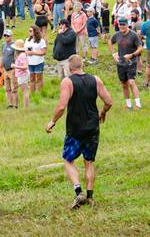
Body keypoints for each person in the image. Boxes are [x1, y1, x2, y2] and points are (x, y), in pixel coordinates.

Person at [45, 54, 113, 209]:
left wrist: (52, 122)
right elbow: (109, 102)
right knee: (89, 162)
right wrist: (102, 113)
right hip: (92, 127)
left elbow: (61, 106)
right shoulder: (96, 80)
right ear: (82, 65)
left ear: (70, 68)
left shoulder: (67, 81)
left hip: (75, 129)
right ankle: (90, 197)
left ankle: (78, 192)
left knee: (68, 160)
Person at [109, 17, 143, 109]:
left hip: (131, 62)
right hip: (120, 63)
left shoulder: (133, 35)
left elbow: (140, 47)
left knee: (131, 82)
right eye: (120, 25)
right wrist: (113, 54)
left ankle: (138, 104)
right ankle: (128, 105)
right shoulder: (117, 34)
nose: (122, 26)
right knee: (124, 84)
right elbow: (110, 42)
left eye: (124, 25)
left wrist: (131, 55)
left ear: (127, 25)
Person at [25, 25, 46, 92]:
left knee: (39, 79)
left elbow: (43, 52)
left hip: (38, 62)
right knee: (31, 79)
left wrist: (33, 53)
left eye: (31, 31)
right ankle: (32, 94)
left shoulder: (41, 41)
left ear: (35, 31)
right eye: (29, 31)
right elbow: (25, 50)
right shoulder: (27, 40)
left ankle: (40, 93)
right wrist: (27, 52)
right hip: (30, 62)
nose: (29, 32)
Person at [0, 29, 18, 108]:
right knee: (7, 88)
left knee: (14, 88)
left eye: (8, 35)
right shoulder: (3, 45)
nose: (6, 37)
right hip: (5, 69)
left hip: (12, 70)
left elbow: (17, 57)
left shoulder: (14, 45)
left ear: (11, 36)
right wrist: (0, 66)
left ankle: (16, 105)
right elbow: (2, 56)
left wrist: (15, 67)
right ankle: (10, 104)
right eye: (5, 35)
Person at [11, 39, 30, 108]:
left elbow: (25, 66)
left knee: (25, 91)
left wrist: (15, 66)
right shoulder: (22, 54)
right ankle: (25, 107)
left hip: (23, 75)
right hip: (21, 75)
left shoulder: (22, 55)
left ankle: (26, 107)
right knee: (24, 90)